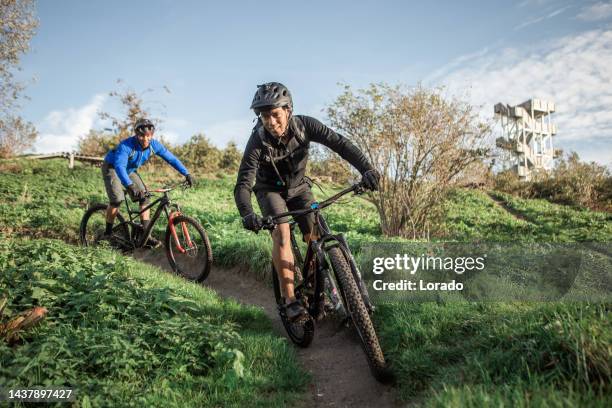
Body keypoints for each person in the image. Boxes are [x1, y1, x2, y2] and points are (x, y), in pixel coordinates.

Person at [234, 82, 379, 320]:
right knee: (281, 233)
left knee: (314, 234)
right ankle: (290, 300)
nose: (270, 121)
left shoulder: (305, 125)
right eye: (263, 116)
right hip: (269, 191)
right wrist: (247, 213)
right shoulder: (257, 141)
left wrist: (367, 169)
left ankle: (321, 282)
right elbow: (243, 184)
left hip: (299, 188)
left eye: (275, 114)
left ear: (288, 110)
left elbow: (340, 144)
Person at [101, 118, 194, 246]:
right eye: (141, 136)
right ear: (136, 134)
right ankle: (107, 233)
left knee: (144, 197)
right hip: (113, 167)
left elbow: (171, 159)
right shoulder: (126, 146)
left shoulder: (154, 145)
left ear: (152, 135)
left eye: (148, 136)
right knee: (117, 200)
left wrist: (186, 173)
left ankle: (146, 235)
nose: (145, 139)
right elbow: (120, 167)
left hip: (130, 170)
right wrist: (129, 185)